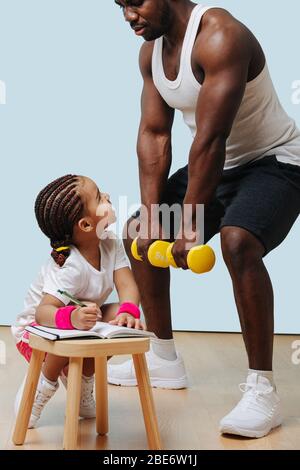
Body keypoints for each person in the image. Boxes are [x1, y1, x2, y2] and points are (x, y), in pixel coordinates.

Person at [109, 0, 300, 438]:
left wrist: (191, 225)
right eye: (119, 6)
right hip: (214, 165)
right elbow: (155, 134)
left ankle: (262, 390)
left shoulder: (221, 35)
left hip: (276, 162)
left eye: (135, 2)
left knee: (237, 241)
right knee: (137, 231)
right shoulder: (151, 51)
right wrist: (156, 218)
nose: (128, 16)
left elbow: (212, 138)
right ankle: (163, 357)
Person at [12, 174, 143, 428]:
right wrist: (72, 317)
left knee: (122, 321)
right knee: (69, 331)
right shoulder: (70, 265)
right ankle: (43, 383)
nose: (107, 196)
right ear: (85, 225)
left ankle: (82, 379)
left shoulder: (110, 242)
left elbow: (126, 284)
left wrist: (128, 311)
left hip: (83, 319)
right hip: (39, 330)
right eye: (99, 197)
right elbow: (43, 312)